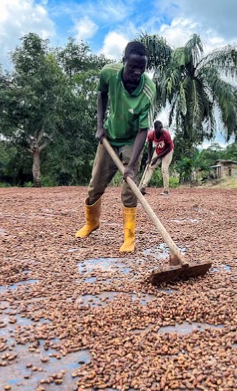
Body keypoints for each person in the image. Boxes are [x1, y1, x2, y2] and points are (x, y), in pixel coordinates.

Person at [75, 41, 156, 253]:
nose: (137, 72)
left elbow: (142, 131)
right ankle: (92, 223)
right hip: (110, 137)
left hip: (132, 141)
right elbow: (101, 95)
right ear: (124, 62)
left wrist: (131, 165)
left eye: (142, 68)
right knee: (95, 185)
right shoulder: (108, 73)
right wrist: (100, 126)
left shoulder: (147, 91)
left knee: (130, 189)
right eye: (133, 67)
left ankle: (129, 237)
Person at [139, 121, 174, 196]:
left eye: (162, 127)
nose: (162, 129)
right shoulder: (151, 134)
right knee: (150, 166)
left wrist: (157, 158)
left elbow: (168, 147)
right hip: (158, 151)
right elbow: (149, 146)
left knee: (164, 169)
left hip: (168, 152)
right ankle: (143, 187)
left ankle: (166, 191)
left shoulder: (166, 134)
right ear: (155, 129)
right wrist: (149, 158)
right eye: (160, 128)